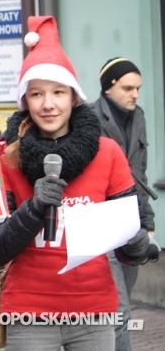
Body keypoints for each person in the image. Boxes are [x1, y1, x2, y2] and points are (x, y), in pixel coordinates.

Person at [0, 16, 150, 351]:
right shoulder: (6, 157)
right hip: (29, 315)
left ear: (73, 97)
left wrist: (136, 243)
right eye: (37, 94)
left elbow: (131, 245)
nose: (48, 104)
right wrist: (34, 208)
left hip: (94, 314)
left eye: (58, 92)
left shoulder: (108, 152)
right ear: (24, 100)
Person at [91, 57, 156, 351]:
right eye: (129, 88)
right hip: (101, 223)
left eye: (138, 89)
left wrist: (149, 223)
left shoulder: (138, 116)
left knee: (120, 308)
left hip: (132, 225)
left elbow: (139, 174)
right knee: (120, 312)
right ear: (109, 88)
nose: (135, 95)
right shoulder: (89, 119)